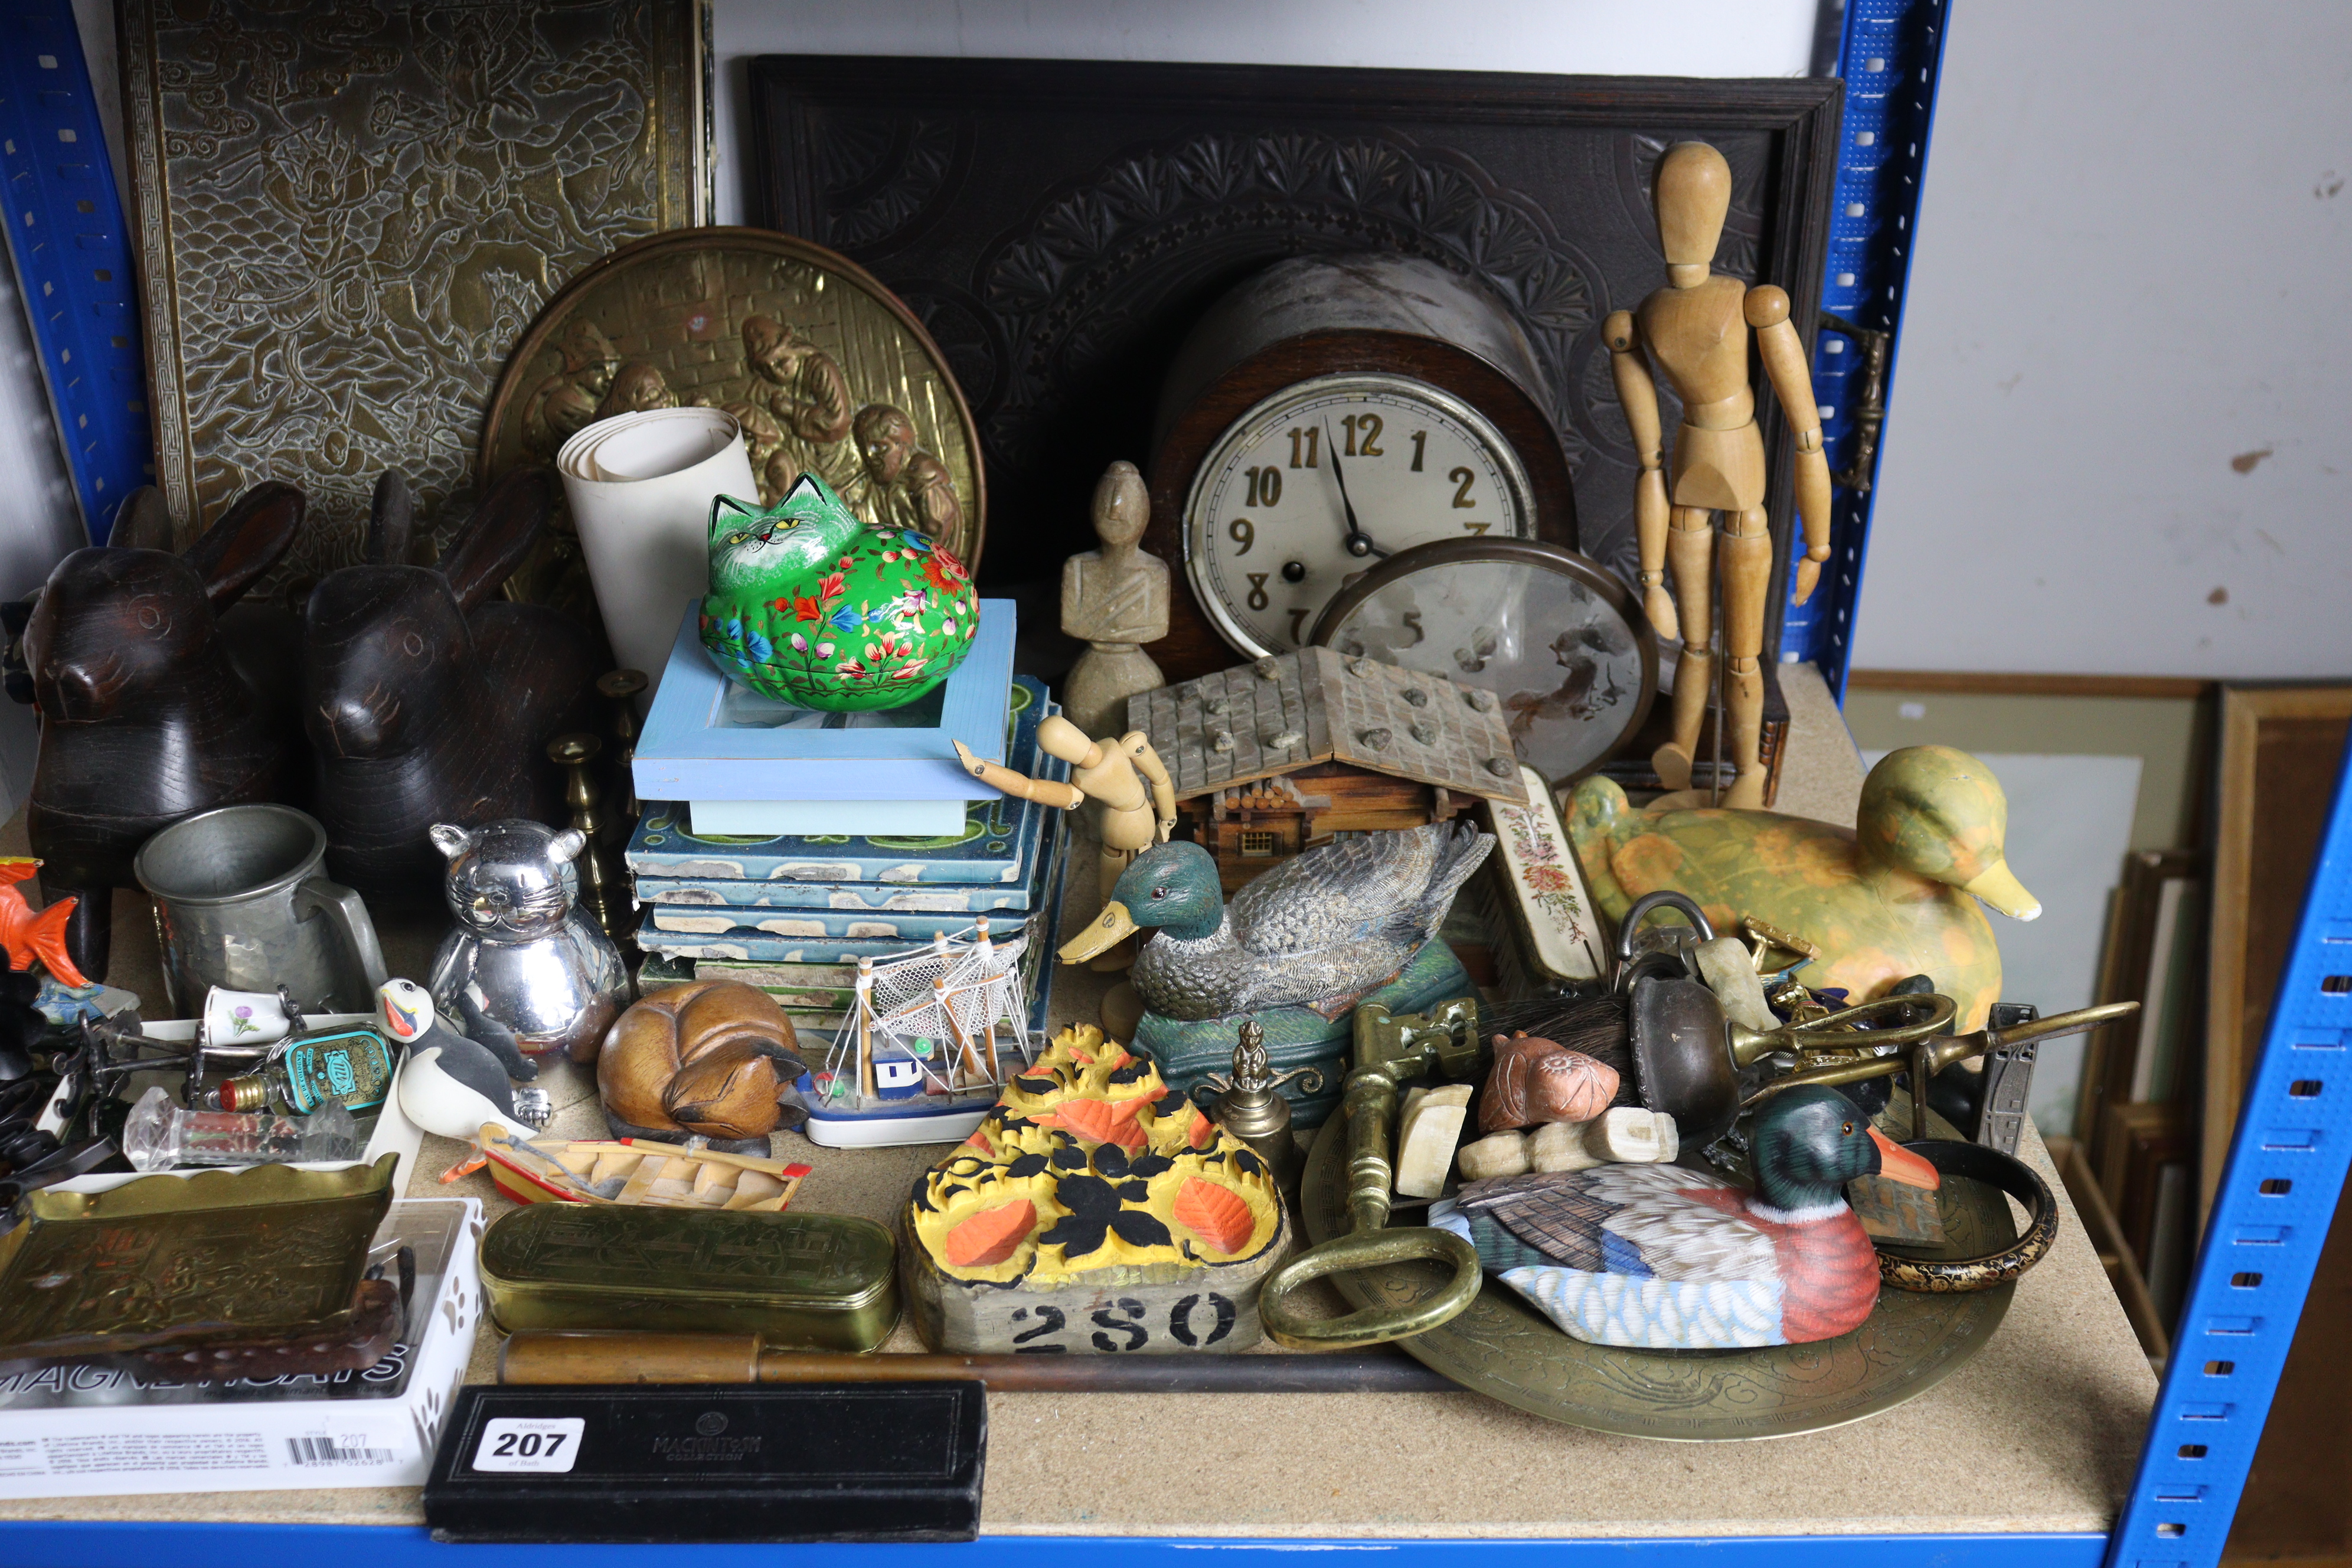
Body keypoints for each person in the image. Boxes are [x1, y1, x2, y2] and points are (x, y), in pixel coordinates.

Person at [852, 402, 963, 550]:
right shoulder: (877, 486)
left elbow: (934, 542)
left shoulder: (924, 479)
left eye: (879, 447)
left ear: (903, 447)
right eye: (863, 448)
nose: (869, 456)